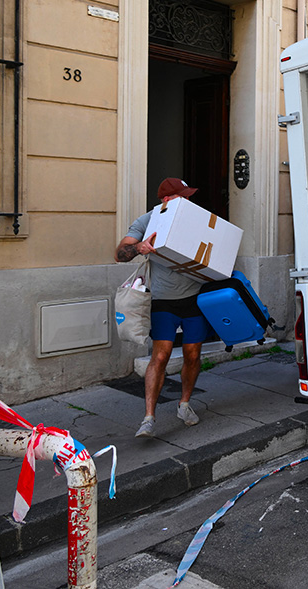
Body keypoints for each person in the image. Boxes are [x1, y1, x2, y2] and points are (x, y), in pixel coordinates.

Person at [116, 178, 206, 438]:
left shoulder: (197, 219)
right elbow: (119, 252)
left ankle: (185, 404)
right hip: (163, 300)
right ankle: (148, 417)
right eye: (183, 197)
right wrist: (139, 247)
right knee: (160, 355)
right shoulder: (147, 221)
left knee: (192, 354)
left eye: (189, 196)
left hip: (194, 298)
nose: (188, 201)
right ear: (167, 200)